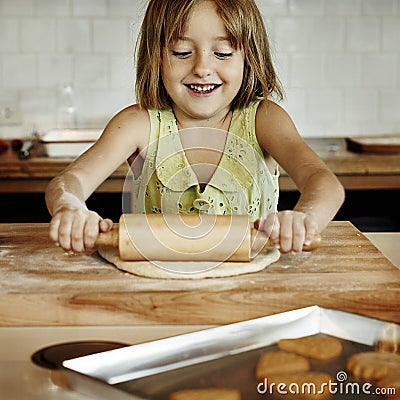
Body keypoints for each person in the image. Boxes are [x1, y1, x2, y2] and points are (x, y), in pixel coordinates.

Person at [45, 0, 344, 255]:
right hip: (156, 292)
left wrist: (304, 220)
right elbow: (70, 181)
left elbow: (324, 182)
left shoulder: (264, 119)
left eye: (223, 53)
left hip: (252, 288)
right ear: (156, 58)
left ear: (248, 58)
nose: (202, 67)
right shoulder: (138, 124)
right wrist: (71, 209)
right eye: (182, 52)